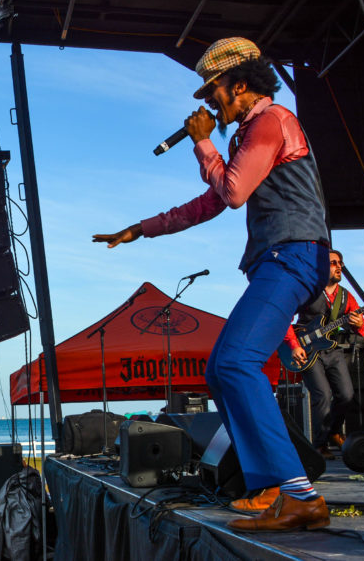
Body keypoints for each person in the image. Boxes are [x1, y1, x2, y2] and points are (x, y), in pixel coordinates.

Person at [92, 37, 331, 532]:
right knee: (222, 370)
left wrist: (202, 142)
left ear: (239, 84)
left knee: (237, 362)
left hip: (293, 255)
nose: (205, 103)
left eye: (212, 91)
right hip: (279, 258)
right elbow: (208, 203)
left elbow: (234, 191)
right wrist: (141, 228)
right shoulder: (247, 135)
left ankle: (301, 495)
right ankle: (268, 486)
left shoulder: (271, 121)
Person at [284, 250, 364, 458]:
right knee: (322, 395)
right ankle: (319, 446)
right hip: (307, 350)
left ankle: (334, 432)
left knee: (346, 395)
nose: (339, 267)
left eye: (340, 263)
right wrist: (294, 345)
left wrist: (360, 324)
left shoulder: (345, 296)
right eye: (333, 263)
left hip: (332, 349)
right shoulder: (308, 291)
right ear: (322, 266)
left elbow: (362, 327)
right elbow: (284, 315)